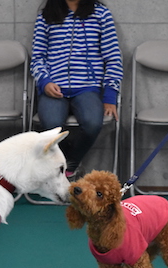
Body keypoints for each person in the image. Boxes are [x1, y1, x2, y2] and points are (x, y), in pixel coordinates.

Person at [31, 0, 123, 180]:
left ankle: (69, 166)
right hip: (53, 87)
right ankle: (69, 166)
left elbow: (113, 58)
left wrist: (110, 96)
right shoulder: (46, 15)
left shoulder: (101, 14)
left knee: (92, 123)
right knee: (51, 127)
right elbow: (37, 57)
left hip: (88, 88)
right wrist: (45, 82)